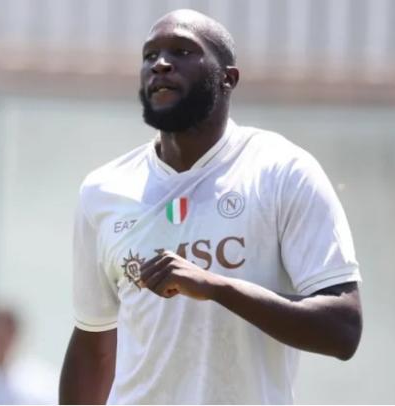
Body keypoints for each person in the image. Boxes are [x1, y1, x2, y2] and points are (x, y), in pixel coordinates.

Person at [59, 9, 362, 405]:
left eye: (183, 51)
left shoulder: (282, 171)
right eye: (150, 55)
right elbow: (93, 344)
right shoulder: (103, 190)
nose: (161, 64)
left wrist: (215, 286)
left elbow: (342, 329)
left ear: (228, 78)